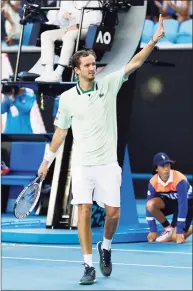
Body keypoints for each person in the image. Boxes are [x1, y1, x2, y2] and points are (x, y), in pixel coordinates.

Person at [38, 14, 165, 285]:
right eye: (87, 65)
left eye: (94, 64)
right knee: (82, 210)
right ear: (77, 70)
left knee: (113, 214)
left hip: (108, 163)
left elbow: (134, 63)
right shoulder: (67, 100)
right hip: (83, 164)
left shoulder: (109, 84)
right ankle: (87, 266)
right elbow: (60, 132)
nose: (93, 68)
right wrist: (47, 161)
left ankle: (105, 246)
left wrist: (153, 40)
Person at [35, 0, 102, 82]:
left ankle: (59, 72)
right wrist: (64, 16)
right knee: (46, 35)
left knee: (69, 35)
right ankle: (49, 71)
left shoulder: (93, 1)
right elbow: (61, 22)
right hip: (70, 28)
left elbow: (96, 20)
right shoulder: (67, 1)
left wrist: (78, 26)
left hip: (87, 29)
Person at [146, 152, 193, 244]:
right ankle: (169, 229)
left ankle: (185, 228)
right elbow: (148, 207)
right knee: (150, 204)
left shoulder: (180, 180)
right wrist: (153, 230)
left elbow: (183, 205)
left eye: (168, 165)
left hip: (188, 204)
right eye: (163, 166)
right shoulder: (153, 182)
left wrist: (179, 230)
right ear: (156, 168)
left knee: (175, 237)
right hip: (172, 203)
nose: (166, 169)